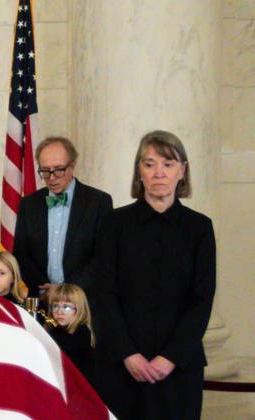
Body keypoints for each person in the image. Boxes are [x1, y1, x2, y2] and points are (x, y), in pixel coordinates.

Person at [94, 130, 216, 420]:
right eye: (149, 164)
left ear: (182, 171)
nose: (159, 173)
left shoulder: (199, 228)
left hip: (178, 369)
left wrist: (170, 358)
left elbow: (201, 299)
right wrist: (129, 354)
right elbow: (104, 293)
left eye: (168, 164)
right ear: (139, 171)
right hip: (122, 366)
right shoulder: (114, 224)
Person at [13, 136, 113, 297]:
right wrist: (45, 289)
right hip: (41, 299)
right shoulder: (28, 204)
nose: (51, 177)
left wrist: (66, 291)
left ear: (73, 165)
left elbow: (103, 256)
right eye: (45, 171)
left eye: (59, 169)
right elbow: (21, 254)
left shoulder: (98, 202)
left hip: (83, 302)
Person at [46, 284, 95, 387]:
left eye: (66, 307)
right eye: (55, 306)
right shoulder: (54, 330)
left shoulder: (82, 332)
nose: (59, 311)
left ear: (78, 309)